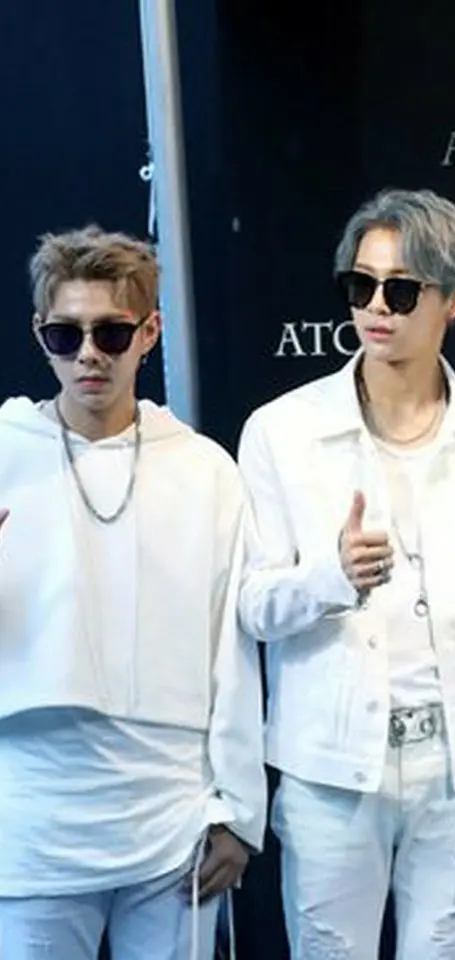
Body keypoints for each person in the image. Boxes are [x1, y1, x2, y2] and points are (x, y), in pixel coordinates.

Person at [236, 189, 455, 959]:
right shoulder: (282, 430)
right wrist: (332, 577)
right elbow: (252, 604)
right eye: (361, 286)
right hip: (330, 769)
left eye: (401, 289)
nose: (376, 307)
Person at [0, 226, 266, 960]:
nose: (88, 354)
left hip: (171, 816)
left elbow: (232, 646)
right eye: (66, 335)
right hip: (33, 818)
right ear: (40, 334)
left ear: (150, 332)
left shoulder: (205, 470)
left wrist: (239, 809)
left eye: (111, 333)